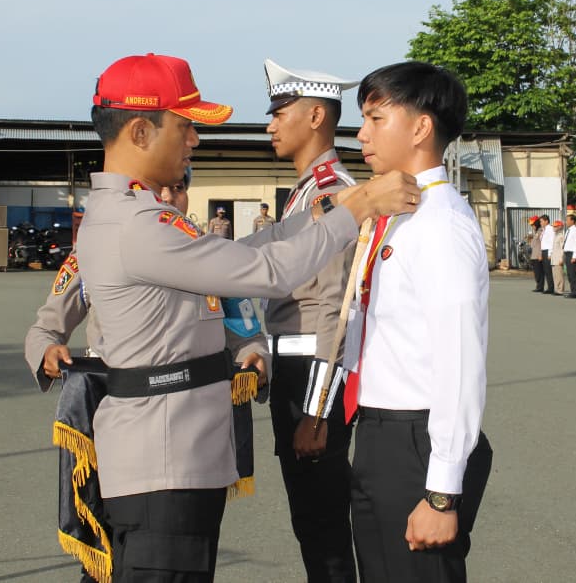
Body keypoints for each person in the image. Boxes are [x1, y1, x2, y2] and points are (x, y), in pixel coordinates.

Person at [68, 52, 420, 583]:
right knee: (317, 530)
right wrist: (359, 205)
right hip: (165, 454)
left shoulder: (135, 214)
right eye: (186, 127)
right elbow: (262, 270)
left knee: (320, 526)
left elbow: (297, 281)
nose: (195, 141)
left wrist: (329, 211)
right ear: (140, 131)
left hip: (181, 441)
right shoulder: (138, 224)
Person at [23, 170, 269, 583]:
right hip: (116, 420)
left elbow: (247, 333)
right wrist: (47, 351)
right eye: (161, 189)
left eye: (180, 188)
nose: (171, 198)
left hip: (187, 432)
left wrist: (255, 358)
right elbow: (46, 327)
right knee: (107, 552)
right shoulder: (100, 248)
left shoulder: (208, 253)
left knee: (174, 554)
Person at [343, 61, 492, 583]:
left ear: (422, 127)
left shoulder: (439, 224)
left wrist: (441, 491)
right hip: (382, 432)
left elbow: (459, 361)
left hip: (417, 439)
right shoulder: (397, 210)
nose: (361, 134)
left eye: (375, 118)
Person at [259, 58, 360, 582]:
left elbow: (334, 307)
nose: (270, 123)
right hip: (294, 375)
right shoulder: (305, 191)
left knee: (325, 533)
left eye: (280, 111)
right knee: (313, 528)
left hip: (312, 381)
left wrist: (317, 411)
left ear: (316, 115)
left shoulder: (330, 192)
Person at [563, 214, 576, 298]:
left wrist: (574, 256)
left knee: (573, 274)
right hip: (567, 253)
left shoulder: (575, 230)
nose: (566, 222)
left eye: (567, 220)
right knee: (569, 274)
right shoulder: (568, 230)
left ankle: (575, 292)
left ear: (572, 221)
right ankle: (572, 290)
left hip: (572, 254)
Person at [539, 214, 556, 294]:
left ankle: (551, 288)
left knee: (549, 270)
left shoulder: (550, 229)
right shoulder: (544, 229)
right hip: (543, 251)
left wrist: (549, 253)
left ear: (546, 221)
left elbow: (551, 242)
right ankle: (549, 286)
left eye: (541, 221)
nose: (540, 223)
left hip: (548, 251)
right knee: (546, 270)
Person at [551, 219, 566, 294]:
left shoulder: (561, 236)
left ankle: (560, 290)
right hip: (554, 258)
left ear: (560, 227)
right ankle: (556, 289)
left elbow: (562, 249)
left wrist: (561, 259)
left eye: (555, 226)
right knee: (555, 275)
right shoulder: (555, 236)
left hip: (558, 258)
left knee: (559, 275)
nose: (554, 227)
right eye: (554, 226)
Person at [529, 216, 544, 291]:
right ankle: (538, 286)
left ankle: (540, 286)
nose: (532, 226)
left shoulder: (541, 231)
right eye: (532, 225)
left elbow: (542, 244)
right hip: (534, 255)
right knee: (536, 272)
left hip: (538, 255)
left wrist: (541, 254)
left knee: (539, 272)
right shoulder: (536, 232)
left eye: (533, 225)